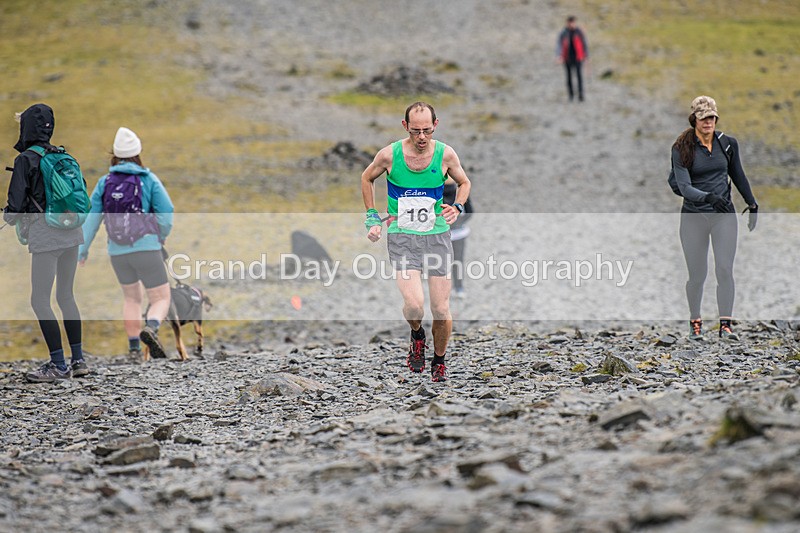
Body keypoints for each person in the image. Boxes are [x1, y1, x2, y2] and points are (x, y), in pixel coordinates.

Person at [361, 102, 471, 383]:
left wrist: (457, 207)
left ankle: (440, 360)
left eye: (426, 131)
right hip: (402, 237)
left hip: (436, 237)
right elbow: (366, 177)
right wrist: (372, 218)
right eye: (415, 131)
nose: (421, 137)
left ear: (436, 125)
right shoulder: (389, 155)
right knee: (414, 305)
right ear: (405, 126)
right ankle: (417, 335)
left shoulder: (445, 154)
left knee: (441, 309)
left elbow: (464, 183)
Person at [3, 103, 87, 382]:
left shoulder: (25, 160)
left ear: (26, 128)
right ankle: (78, 361)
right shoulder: (63, 156)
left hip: (45, 237)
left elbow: (14, 210)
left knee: (39, 299)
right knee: (66, 295)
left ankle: (57, 365)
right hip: (72, 234)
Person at [79, 127, 174, 359]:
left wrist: (82, 250)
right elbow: (166, 212)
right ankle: (151, 328)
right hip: (147, 248)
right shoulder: (148, 179)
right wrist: (160, 236)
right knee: (161, 297)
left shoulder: (104, 183)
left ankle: (133, 348)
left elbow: (91, 220)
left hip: (117, 251)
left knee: (131, 297)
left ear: (115, 154)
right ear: (138, 152)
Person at [672, 96, 758, 341]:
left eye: (711, 117)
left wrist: (752, 203)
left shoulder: (727, 144)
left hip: (724, 216)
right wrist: (709, 198)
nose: (708, 122)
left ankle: (726, 325)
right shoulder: (681, 148)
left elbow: (738, 175)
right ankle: (695, 321)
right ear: (694, 120)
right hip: (694, 217)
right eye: (703, 118)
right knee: (697, 274)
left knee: (724, 268)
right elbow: (685, 187)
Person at [442, 177, 473, 298]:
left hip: (458, 233)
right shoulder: (439, 194)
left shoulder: (461, 193)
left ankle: (458, 287)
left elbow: (470, 211)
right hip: (444, 233)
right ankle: (448, 289)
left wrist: (458, 222)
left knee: (456, 261)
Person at [556, 15, 588, 102]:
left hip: (578, 57)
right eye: (570, 22)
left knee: (579, 76)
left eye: (573, 22)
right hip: (567, 58)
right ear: (567, 23)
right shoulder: (563, 33)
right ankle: (571, 95)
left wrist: (586, 56)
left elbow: (584, 44)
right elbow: (559, 45)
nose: (571, 24)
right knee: (569, 77)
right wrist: (559, 56)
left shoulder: (579, 32)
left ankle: (581, 94)